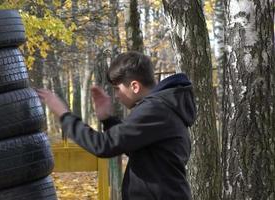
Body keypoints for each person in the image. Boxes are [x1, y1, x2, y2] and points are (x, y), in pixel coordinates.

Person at [36, 51, 196, 200]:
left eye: (117, 89)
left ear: (135, 86)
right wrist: (107, 119)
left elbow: (103, 145)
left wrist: (64, 114)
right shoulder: (160, 109)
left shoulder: (155, 110)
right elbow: (129, 143)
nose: (117, 96)